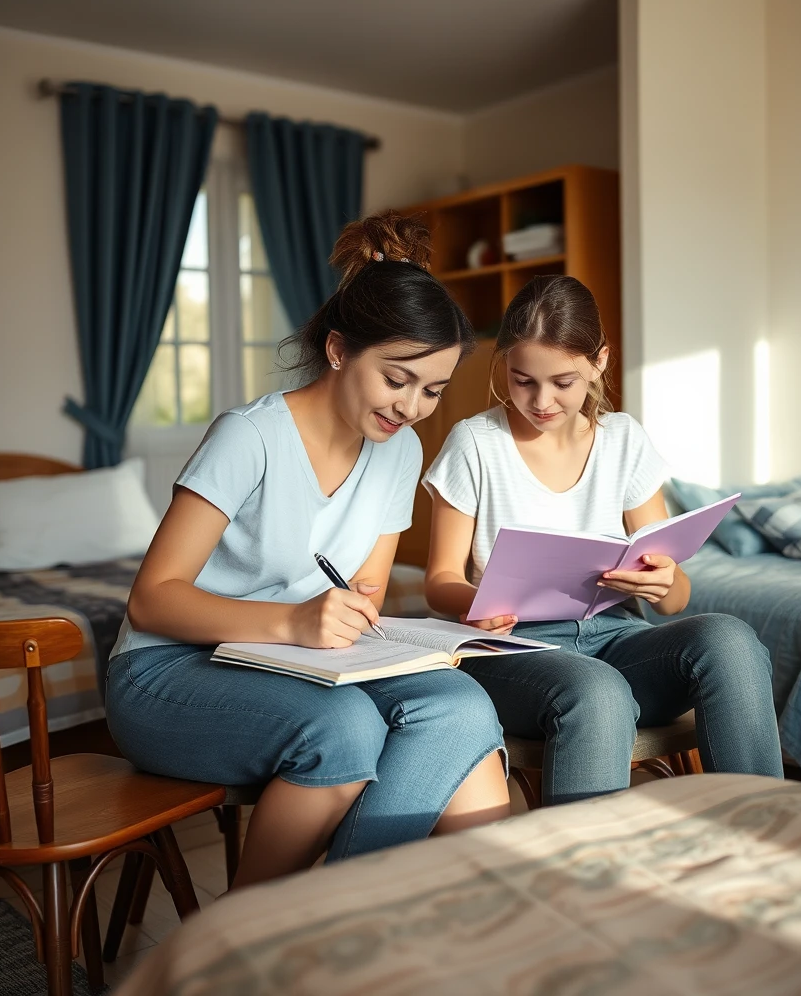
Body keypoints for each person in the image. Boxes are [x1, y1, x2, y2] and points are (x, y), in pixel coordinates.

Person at [106, 212, 510, 887]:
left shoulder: (399, 450)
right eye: (397, 378)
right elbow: (151, 600)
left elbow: (366, 593)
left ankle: (364, 931)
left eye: (433, 390)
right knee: (345, 729)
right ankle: (252, 941)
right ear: (337, 350)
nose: (412, 406)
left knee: (463, 705)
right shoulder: (249, 437)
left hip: (293, 664)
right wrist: (294, 621)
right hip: (168, 672)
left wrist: (401, 624)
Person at [423, 275, 783, 806]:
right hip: (514, 650)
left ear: (599, 362)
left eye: (562, 382)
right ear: (504, 365)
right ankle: (587, 877)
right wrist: (477, 603)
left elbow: (677, 596)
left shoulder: (624, 439)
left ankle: (763, 831)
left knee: (729, 640)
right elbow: (439, 581)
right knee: (596, 691)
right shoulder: (476, 443)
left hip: (615, 639)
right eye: (523, 381)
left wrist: (663, 582)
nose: (541, 401)